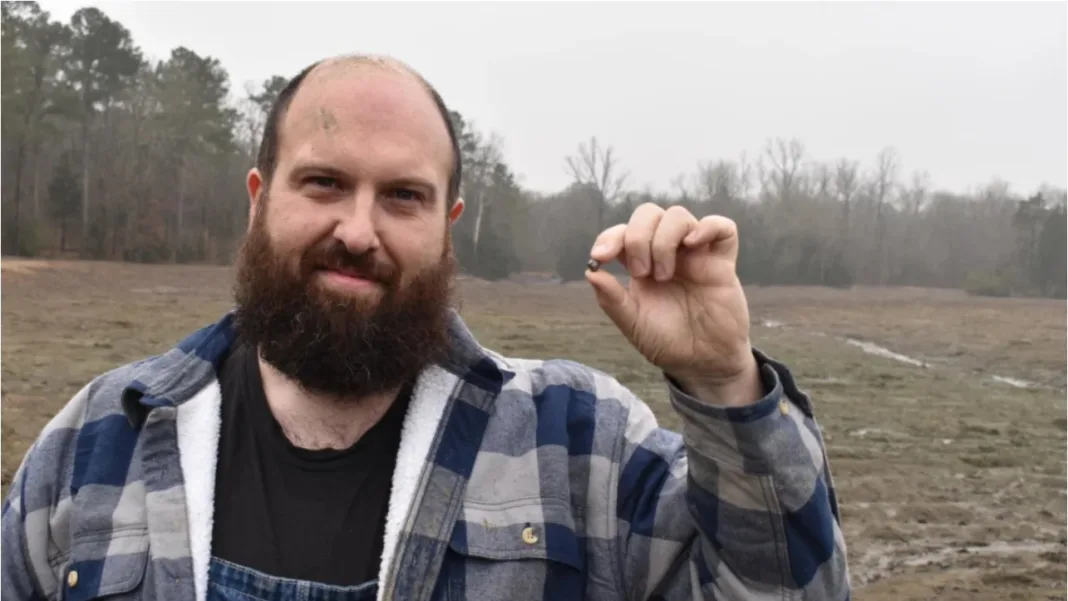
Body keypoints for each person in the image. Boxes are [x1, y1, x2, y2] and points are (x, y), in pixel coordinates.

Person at [1, 55, 850, 601]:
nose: (359, 231)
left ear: (448, 223)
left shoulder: (579, 444)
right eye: (325, 183)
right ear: (260, 200)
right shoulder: (99, 440)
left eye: (402, 196)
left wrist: (723, 383)